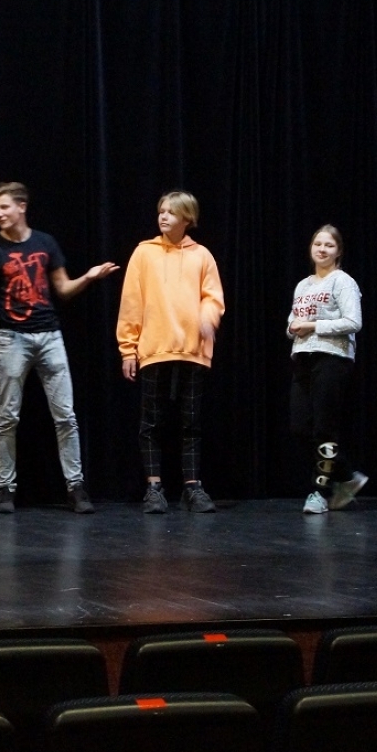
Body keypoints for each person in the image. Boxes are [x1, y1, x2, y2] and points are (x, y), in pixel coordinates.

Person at [0, 181, 119, 514]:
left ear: (22, 206)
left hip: (50, 337)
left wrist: (89, 277)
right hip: (11, 338)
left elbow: (63, 289)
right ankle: (5, 489)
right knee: (7, 417)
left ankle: (75, 487)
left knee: (66, 416)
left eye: (4, 207)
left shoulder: (45, 243)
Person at [116, 191, 225, 514]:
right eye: (161, 211)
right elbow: (131, 302)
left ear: (187, 218)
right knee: (151, 422)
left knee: (191, 422)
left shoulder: (201, 255)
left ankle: (192, 487)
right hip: (155, 348)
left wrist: (208, 319)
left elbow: (213, 298)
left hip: (192, 350)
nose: (163, 216)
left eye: (171, 212)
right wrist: (128, 349)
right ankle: (154, 488)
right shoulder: (144, 253)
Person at [288, 225, 366, 515]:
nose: (322, 249)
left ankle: (320, 492)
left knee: (324, 428)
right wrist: (294, 328)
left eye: (329, 245)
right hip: (303, 358)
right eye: (317, 244)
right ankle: (346, 475)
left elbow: (353, 322)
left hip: (332, 358)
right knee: (300, 427)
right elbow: (292, 321)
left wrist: (312, 326)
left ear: (338, 251)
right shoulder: (303, 285)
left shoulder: (342, 281)